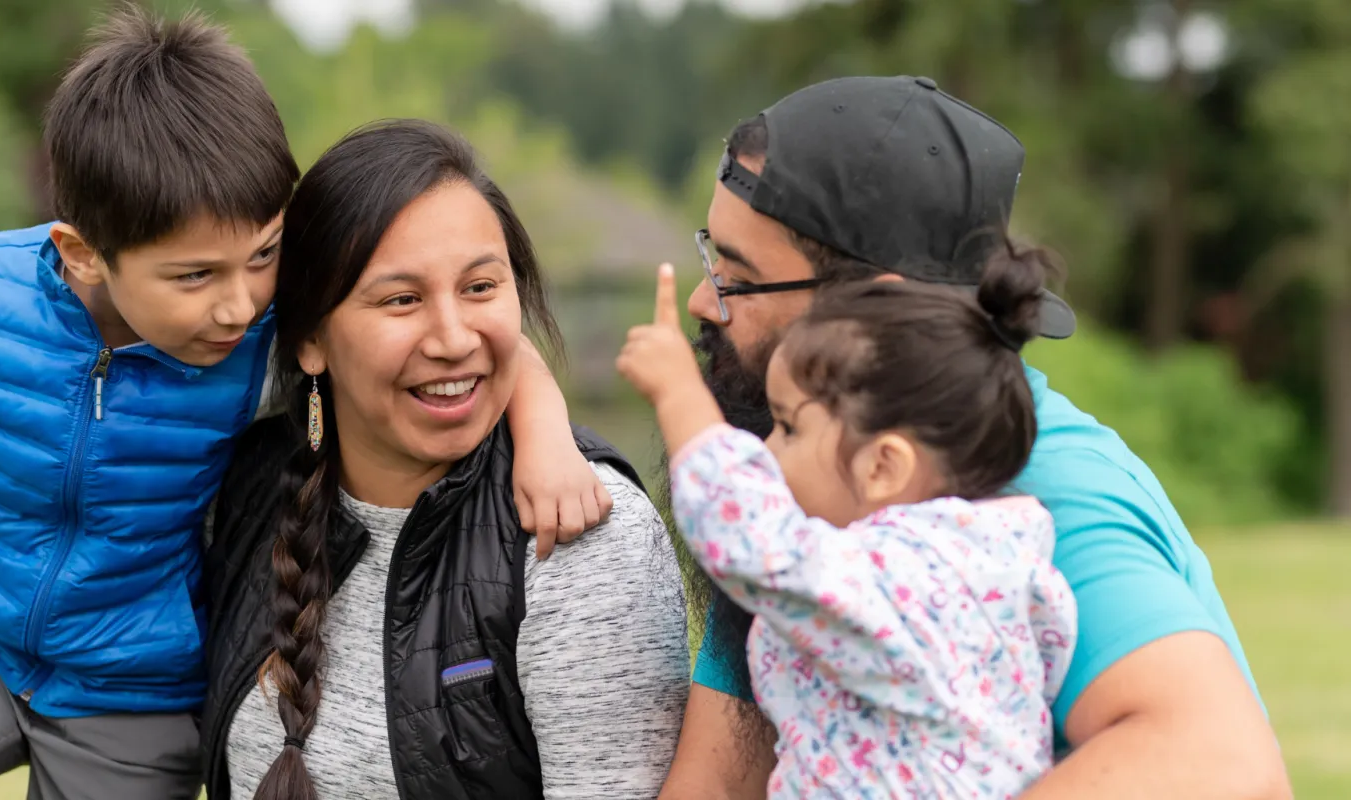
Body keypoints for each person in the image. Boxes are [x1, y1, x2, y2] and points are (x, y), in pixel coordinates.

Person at [0, 11, 608, 800]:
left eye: (263, 255)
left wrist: (544, 437)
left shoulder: (261, 341)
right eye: (195, 276)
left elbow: (472, 342)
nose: (238, 302)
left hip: (132, 681)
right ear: (83, 253)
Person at [658, 76, 1291, 799]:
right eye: (712, 258)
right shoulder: (804, 472)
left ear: (874, 307)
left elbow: (1222, 765)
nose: (702, 301)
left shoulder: (1039, 481)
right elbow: (717, 780)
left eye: (737, 277)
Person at [198, 119, 689, 800]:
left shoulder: (580, 538)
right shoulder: (243, 491)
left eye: (481, 287)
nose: (455, 338)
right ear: (310, 338)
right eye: (402, 300)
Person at [621, 247, 1077, 797]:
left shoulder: (905, 576)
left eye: (788, 428)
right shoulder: (1003, 563)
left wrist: (679, 396)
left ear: (883, 467)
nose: (766, 449)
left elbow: (752, 537)